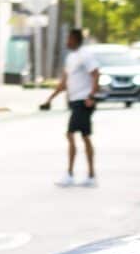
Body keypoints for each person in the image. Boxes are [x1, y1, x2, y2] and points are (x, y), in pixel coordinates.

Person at [37, 25, 102, 186]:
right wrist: (49, 99)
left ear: (76, 39)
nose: (67, 41)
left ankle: (72, 174)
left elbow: (96, 74)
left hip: (83, 101)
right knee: (84, 136)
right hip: (75, 101)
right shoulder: (71, 58)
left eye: (69, 38)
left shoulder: (85, 55)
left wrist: (91, 95)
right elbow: (64, 82)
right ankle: (90, 175)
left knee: (71, 133)